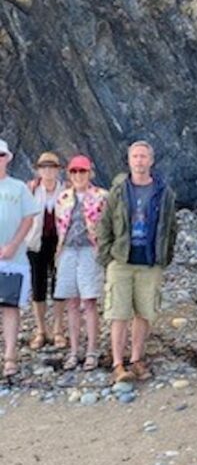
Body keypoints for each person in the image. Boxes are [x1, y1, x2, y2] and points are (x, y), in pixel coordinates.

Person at [98, 141, 177, 383]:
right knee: (118, 313)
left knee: (145, 312)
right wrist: (107, 256)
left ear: (151, 161)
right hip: (121, 259)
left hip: (150, 261)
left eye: (144, 156)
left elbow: (171, 227)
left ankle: (136, 359)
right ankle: (118, 363)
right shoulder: (119, 190)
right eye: (135, 156)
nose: (140, 161)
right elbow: (105, 224)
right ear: (129, 160)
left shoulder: (164, 193)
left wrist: (165, 256)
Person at [54, 155, 107, 371]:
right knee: (72, 303)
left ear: (90, 173)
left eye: (82, 171)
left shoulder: (102, 196)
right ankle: (75, 350)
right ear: (69, 174)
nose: (78, 175)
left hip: (89, 251)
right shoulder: (63, 197)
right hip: (67, 250)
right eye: (74, 172)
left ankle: (92, 349)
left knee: (89, 302)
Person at [0, 139, 40, 378]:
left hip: (14, 257)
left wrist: (13, 245)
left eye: (0, 155)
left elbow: (29, 218)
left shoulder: (18, 188)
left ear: (7, 158)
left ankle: (10, 356)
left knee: (10, 306)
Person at [26, 151, 66, 350]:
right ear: (38, 170)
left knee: (59, 286)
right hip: (36, 242)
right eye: (44, 167)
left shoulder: (66, 190)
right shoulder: (31, 190)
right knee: (38, 285)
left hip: (59, 243)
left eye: (52, 167)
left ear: (58, 170)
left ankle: (58, 329)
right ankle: (41, 329)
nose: (48, 171)